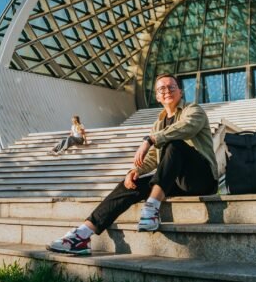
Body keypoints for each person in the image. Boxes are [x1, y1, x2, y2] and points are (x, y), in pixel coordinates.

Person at [47, 73, 218, 255]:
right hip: (175, 179)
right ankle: (82, 235)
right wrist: (135, 170)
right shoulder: (158, 124)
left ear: (180, 92)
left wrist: (150, 139)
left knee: (174, 143)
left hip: (202, 178)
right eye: (161, 89)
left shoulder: (193, 110)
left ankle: (151, 208)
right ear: (157, 97)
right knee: (130, 183)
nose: (166, 91)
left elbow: (187, 128)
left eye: (171, 87)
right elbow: (153, 158)